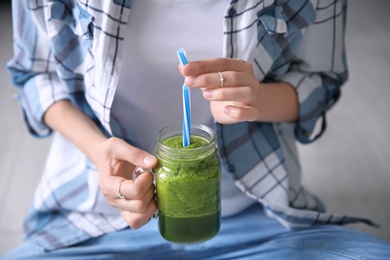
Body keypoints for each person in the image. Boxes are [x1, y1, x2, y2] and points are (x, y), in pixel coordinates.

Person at [3, 0, 390, 259]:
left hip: (258, 219)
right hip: (94, 219)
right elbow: (35, 75)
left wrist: (255, 98)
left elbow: (321, 81)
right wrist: (98, 151)